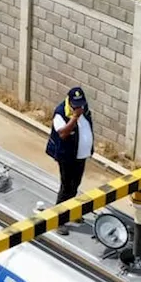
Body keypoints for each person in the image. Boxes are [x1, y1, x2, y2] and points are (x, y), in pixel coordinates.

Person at [46, 86, 93, 235]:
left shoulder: (84, 109)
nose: (78, 107)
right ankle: (59, 219)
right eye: (76, 104)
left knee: (75, 185)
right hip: (67, 156)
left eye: (81, 104)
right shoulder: (61, 113)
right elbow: (63, 133)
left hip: (80, 155)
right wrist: (74, 117)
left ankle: (71, 211)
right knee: (66, 187)